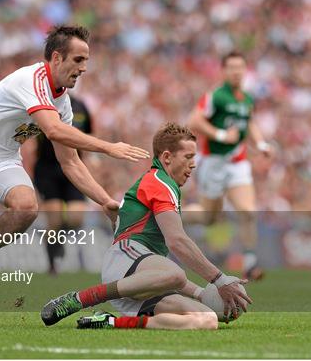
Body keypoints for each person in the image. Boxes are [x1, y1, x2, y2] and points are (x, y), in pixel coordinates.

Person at [0, 25, 150, 325]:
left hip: (3, 158)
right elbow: (51, 130)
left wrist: (104, 200)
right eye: (78, 60)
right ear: (57, 58)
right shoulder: (31, 79)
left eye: (86, 60)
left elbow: (71, 162)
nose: (84, 68)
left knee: (27, 207)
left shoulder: (62, 102)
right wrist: (108, 147)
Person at [40, 123, 252, 330]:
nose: (194, 164)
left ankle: (110, 322)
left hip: (144, 281)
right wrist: (220, 280)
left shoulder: (169, 187)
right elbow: (177, 242)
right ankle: (82, 298)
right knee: (176, 274)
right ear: (167, 157)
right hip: (125, 261)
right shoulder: (158, 182)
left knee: (206, 320)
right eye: (188, 157)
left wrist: (201, 294)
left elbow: (161, 272)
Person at [187, 51, 272, 281]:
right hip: (213, 162)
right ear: (223, 71)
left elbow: (249, 123)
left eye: (240, 67)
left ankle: (250, 264)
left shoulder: (246, 98)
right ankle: (166, 214)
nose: (236, 72)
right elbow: (194, 121)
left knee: (248, 210)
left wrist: (261, 143)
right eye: (232, 67)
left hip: (237, 163)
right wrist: (222, 135)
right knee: (208, 218)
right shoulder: (216, 96)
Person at [34, 95, 93, 274]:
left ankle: (58, 238)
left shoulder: (81, 105)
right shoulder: (43, 105)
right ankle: (52, 265)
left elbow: (87, 136)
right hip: (48, 170)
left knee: (76, 219)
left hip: (73, 167)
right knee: (55, 220)